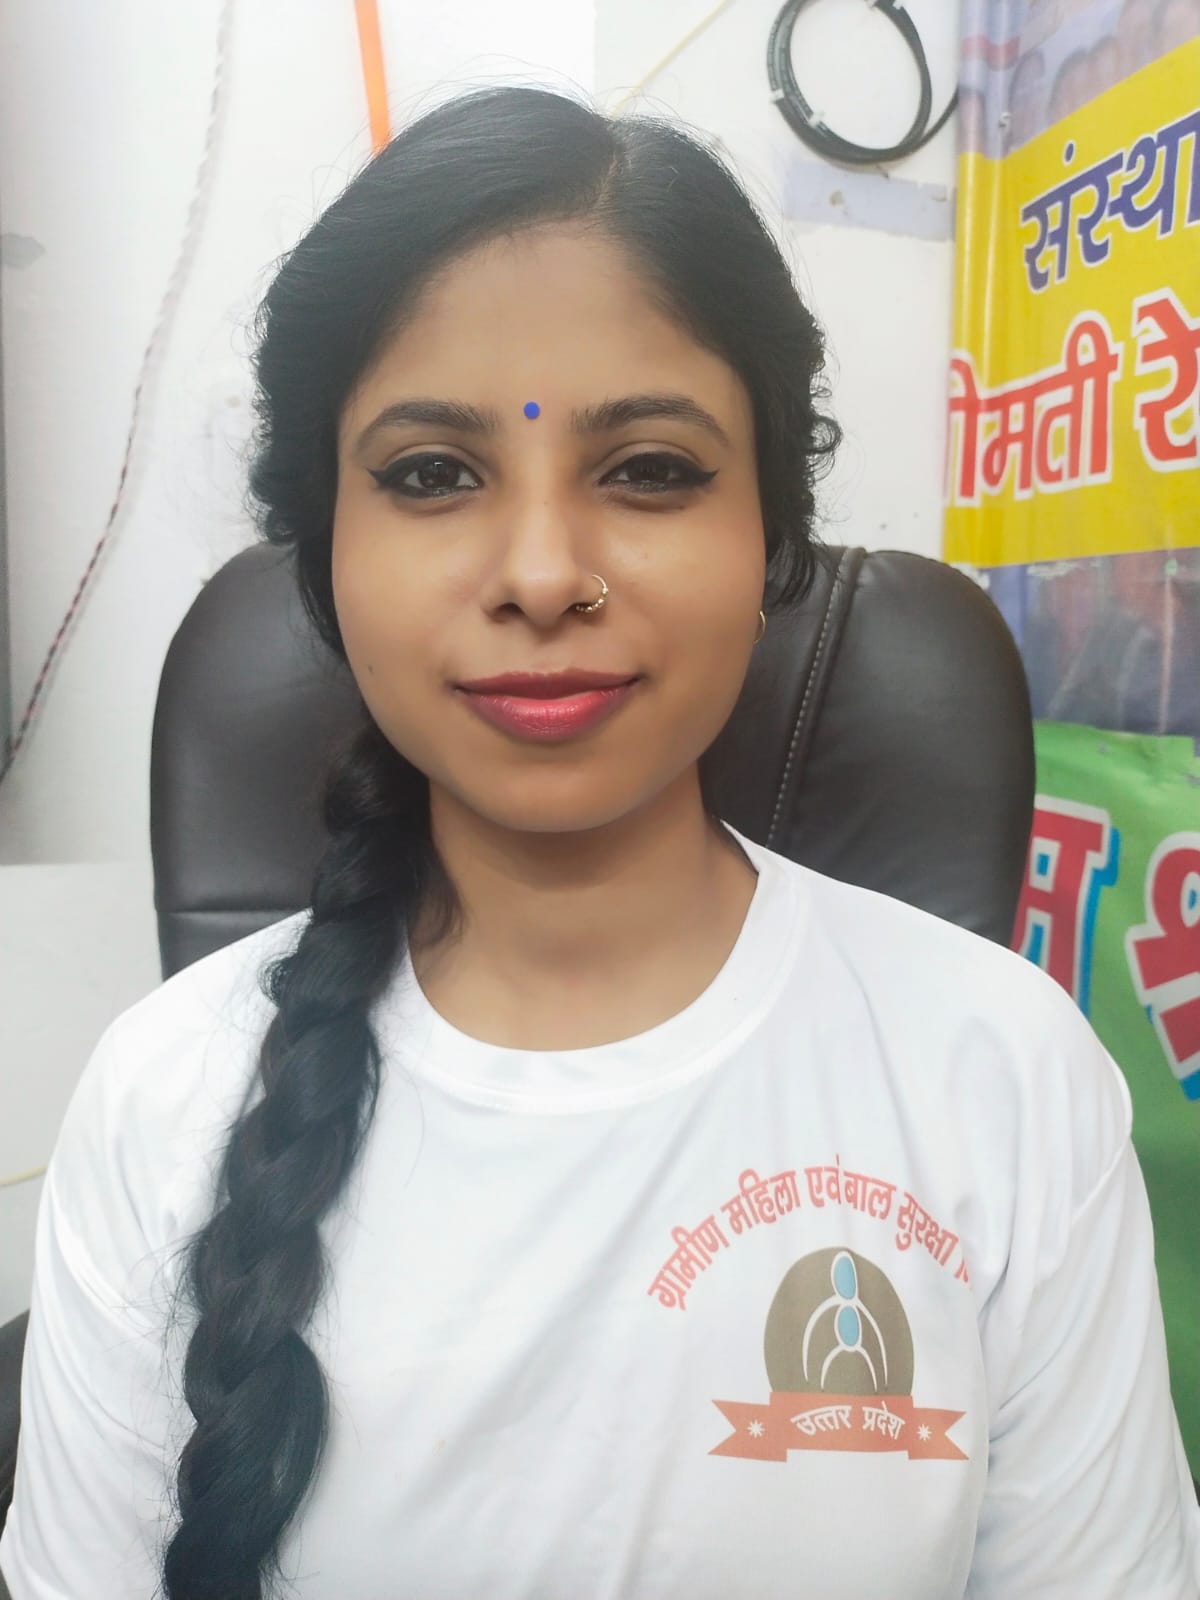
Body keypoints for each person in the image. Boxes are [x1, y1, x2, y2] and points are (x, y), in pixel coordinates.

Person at [1, 85, 1197, 1600]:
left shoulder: (1005, 1082)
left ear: (770, 537)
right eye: (432, 474)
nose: (543, 572)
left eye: (649, 469)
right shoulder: (164, 1101)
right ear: (326, 557)